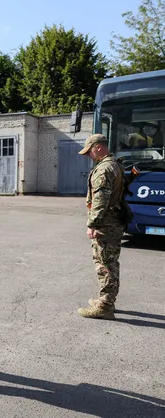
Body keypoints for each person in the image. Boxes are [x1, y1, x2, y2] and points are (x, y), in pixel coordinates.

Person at [77, 134, 124, 320]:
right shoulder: (115, 164)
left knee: (105, 265)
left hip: (106, 223)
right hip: (113, 221)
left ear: (97, 147)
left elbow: (100, 199)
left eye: (89, 151)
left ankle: (105, 306)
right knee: (109, 263)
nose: (88, 155)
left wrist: (92, 223)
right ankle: (106, 300)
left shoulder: (104, 169)